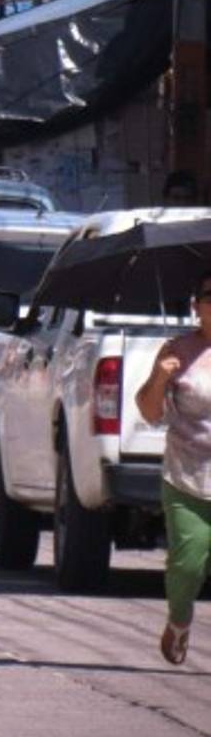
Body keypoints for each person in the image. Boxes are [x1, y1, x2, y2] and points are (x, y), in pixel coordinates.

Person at [135, 270, 211, 666]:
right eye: (209, 296)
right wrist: (161, 377)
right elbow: (149, 411)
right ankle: (179, 622)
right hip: (187, 477)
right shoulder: (176, 351)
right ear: (196, 306)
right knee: (188, 564)